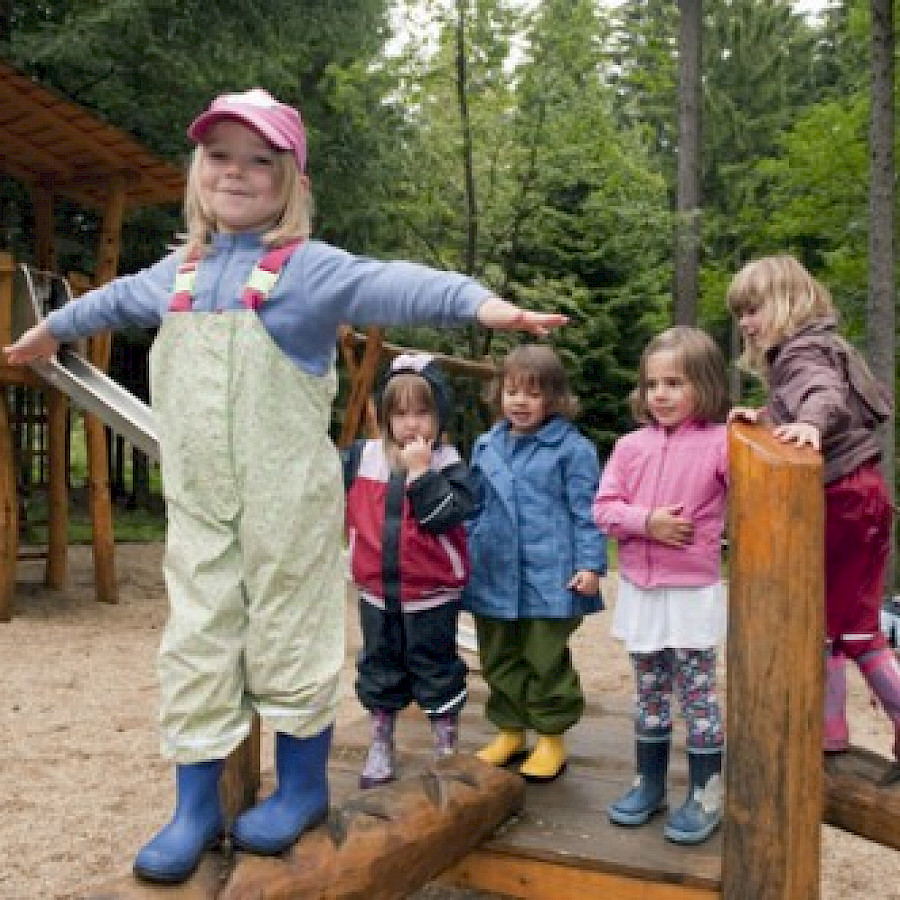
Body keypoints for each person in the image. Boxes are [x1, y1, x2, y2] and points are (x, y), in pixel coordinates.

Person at [2, 89, 567, 885]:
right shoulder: (180, 273)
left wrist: (481, 304)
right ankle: (195, 805)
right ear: (198, 171)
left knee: (289, 637)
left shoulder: (309, 270)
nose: (236, 173)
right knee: (195, 641)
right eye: (219, 157)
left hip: (288, 507)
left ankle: (300, 786)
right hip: (200, 508)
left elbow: (394, 282)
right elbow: (113, 298)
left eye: (258, 160)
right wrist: (50, 330)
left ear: (290, 180)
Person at [726, 255, 895, 761]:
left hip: (845, 498)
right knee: (831, 620)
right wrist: (766, 415)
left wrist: (812, 426)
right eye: (740, 314)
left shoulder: (801, 355)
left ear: (787, 303)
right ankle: (830, 729)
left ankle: (835, 727)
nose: (745, 324)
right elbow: (811, 398)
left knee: (852, 626)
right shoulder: (820, 348)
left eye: (753, 310)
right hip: (852, 496)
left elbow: (824, 397)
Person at [592, 326, 729, 845]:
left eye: (675, 382)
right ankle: (648, 782)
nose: (661, 394)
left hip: (691, 592)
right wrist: (646, 521)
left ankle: (706, 790)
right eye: (653, 384)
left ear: (708, 385)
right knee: (648, 687)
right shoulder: (630, 447)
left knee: (696, 693)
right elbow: (603, 510)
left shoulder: (721, 444)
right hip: (641, 590)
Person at [463, 344, 606, 783]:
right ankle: (509, 729)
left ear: (555, 398)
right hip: (493, 571)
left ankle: (551, 736)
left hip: (550, 573)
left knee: (544, 657)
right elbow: (472, 506)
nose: (519, 402)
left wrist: (591, 565)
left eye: (532, 392)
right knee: (497, 655)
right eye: (511, 391)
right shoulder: (485, 445)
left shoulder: (572, 450)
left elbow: (588, 512)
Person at [343, 353, 472, 788]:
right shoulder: (363, 458)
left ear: (440, 416)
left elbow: (445, 516)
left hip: (431, 593)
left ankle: (445, 744)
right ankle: (381, 740)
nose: (411, 424)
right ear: (383, 417)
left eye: (422, 412)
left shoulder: (449, 465)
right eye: (399, 413)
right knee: (379, 666)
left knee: (434, 666)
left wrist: (421, 473)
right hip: (377, 591)